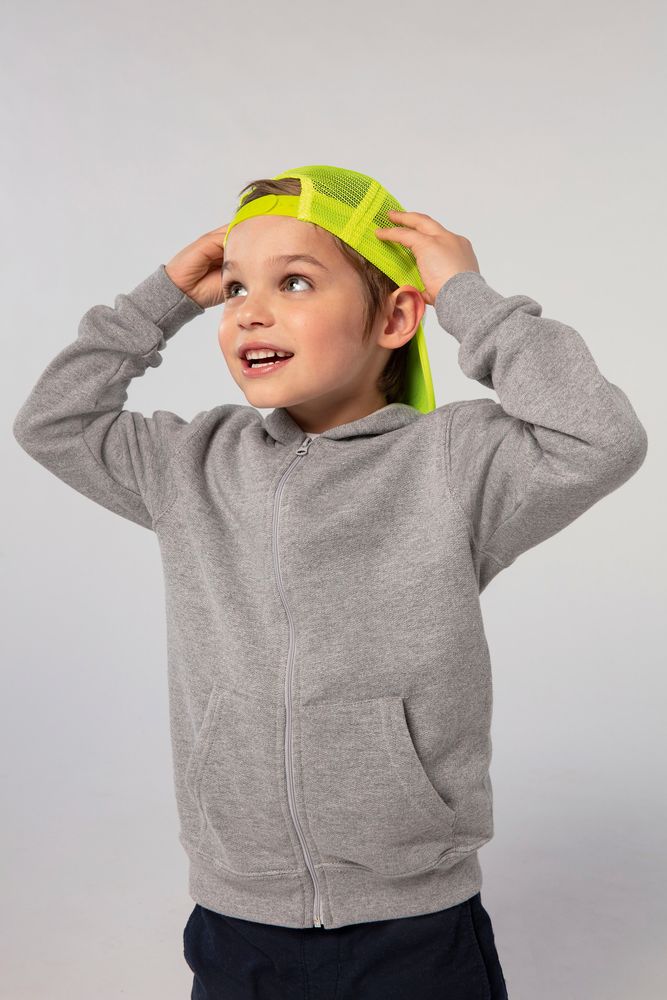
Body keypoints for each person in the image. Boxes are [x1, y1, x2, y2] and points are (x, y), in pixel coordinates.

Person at [12, 165, 648, 1000]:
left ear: (394, 317)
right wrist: (160, 299)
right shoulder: (192, 464)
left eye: (295, 282)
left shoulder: (453, 464)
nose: (249, 310)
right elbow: (53, 421)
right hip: (238, 919)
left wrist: (466, 297)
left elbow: (600, 438)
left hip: (414, 925)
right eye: (234, 287)